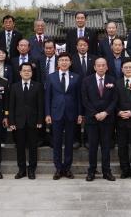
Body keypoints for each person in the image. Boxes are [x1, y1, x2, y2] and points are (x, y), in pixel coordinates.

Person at [45, 52, 83, 180]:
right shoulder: (51, 77)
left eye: (66, 60)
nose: (64, 62)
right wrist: (48, 114)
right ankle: (58, 168)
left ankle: (67, 168)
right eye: (61, 60)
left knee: (69, 142)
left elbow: (79, 97)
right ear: (58, 62)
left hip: (71, 113)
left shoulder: (76, 77)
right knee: (56, 142)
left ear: (70, 62)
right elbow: (47, 97)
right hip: (56, 113)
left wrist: (79, 114)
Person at [81, 57, 117, 181]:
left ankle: (107, 171)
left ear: (107, 67)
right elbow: (84, 99)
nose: (101, 67)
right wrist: (95, 113)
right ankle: (91, 171)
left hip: (107, 120)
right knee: (92, 147)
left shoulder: (112, 80)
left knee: (106, 147)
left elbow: (115, 99)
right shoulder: (87, 81)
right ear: (94, 67)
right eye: (99, 65)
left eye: (103, 65)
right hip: (92, 119)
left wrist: (106, 112)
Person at [8, 62, 44, 179]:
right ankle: (22, 169)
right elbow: (11, 106)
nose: (27, 72)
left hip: (33, 122)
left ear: (32, 73)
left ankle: (32, 169)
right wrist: (12, 122)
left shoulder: (38, 86)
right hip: (19, 122)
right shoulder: (14, 86)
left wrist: (40, 120)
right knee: (20, 147)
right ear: (20, 72)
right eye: (24, 70)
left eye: (29, 70)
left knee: (33, 147)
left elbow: (40, 105)